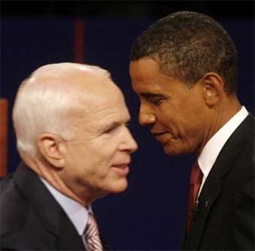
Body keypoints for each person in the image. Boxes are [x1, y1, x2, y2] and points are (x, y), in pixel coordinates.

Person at [129, 11, 254, 250]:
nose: (143, 117)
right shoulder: (220, 168)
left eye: (156, 100)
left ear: (211, 89)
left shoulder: (249, 172)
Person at [0, 62, 138, 250]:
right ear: (54, 149)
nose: (131, 144)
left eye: (126, 126)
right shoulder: (15, 241)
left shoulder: (53, 210)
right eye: (109, 130)